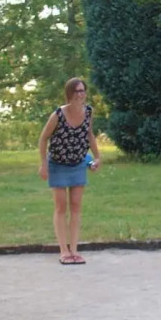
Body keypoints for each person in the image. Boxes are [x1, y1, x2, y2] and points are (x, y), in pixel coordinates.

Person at [38, 77, 101, 265]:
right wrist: (43, 164)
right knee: (61, 206)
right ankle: (63, 251)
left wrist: (97, 156)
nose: (81, 94)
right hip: (58, 164)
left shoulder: (88, 112)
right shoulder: (58, 115)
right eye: (77, 91)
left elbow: (89, 134)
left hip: (78, 162)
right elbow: (43, 138)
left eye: (83, 90)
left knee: (76, 206)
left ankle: (74, 250)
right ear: (69, 93)